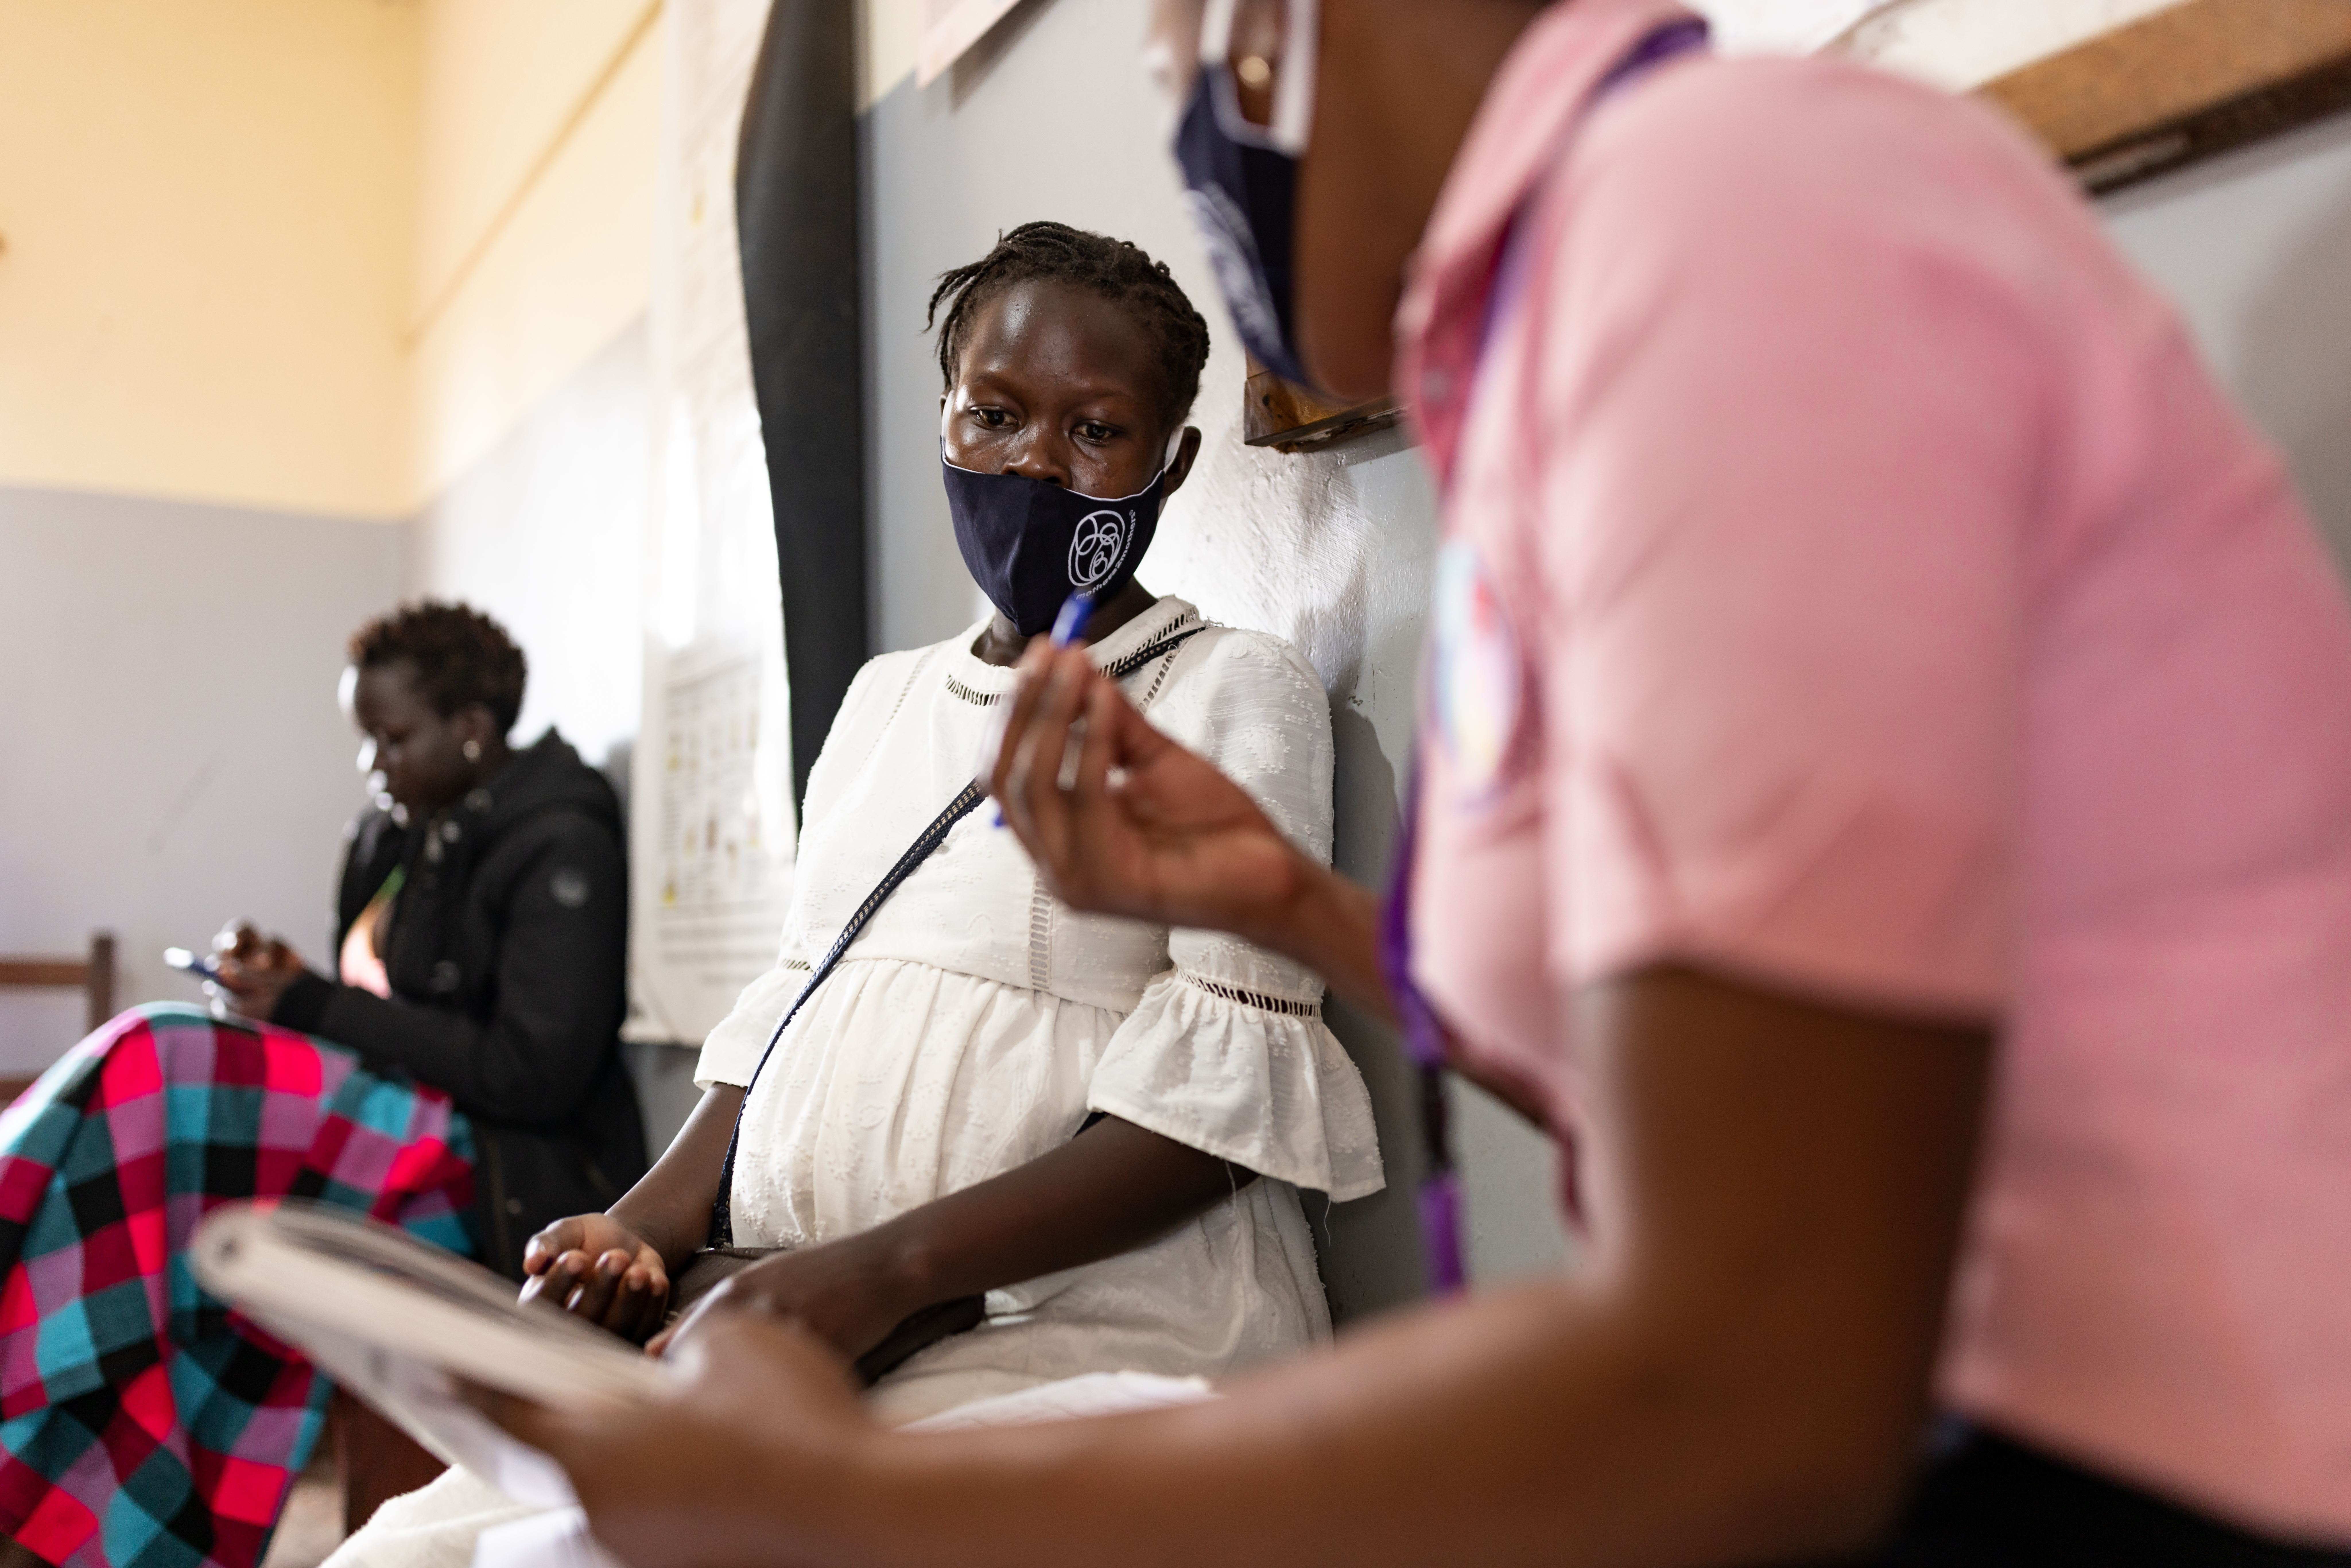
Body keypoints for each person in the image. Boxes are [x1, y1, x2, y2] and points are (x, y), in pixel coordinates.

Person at [472, 0, 2351, 1564]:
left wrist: (857, 1503)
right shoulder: (1562, 337)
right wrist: (1281, 906)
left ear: (1272, 34)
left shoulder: (1717, 222)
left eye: (1168, 42)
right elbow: (1706, 1087)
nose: (1176, 103)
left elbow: (1753, 1376)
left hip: (2165, 1461)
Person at [321, 222, 1380, 1565]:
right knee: (408, 1551)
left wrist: (879, 1273)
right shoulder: (884, 699)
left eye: (1096, 431)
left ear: (1169, 463)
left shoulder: (1229, 688)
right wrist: (643, 1224)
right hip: (784, 1307)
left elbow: (1215, 1099)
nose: (1037, 464)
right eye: (993, 415)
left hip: (1072, 1321)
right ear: (944, 418)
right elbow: (799, 998)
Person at [0, 602, 645, 1568]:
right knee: (166, 1122)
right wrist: (283, 987)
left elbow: (532, 1071)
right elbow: (369, 1014)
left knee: (161, 1063)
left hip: (504, 1170)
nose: (372, 765)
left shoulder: (560, 832)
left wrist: (305, 1005)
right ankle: (83, 1487)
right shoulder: (394, 836)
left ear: (471, 730)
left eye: (391, 738)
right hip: (391, 1135)